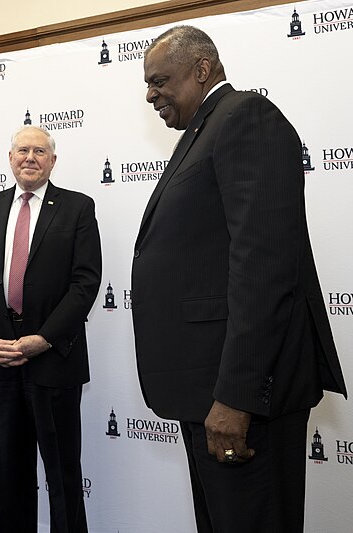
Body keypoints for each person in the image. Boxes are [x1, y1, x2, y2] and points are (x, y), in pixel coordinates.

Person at [132, 25, 347, 533]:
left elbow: (265, 269)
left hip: (241, 402)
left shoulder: (245, 118)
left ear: (202, 68)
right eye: (148, 84)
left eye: (160, 80)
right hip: (207, 397)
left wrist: (236, 397)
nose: (151, 94)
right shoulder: (204, 131)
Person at [0, 125, 101, 532]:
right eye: (22, 150)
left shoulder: (77, 208)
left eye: (40, 151)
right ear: (10, 158)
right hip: (0, 357)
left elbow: (85, 282)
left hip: (54, 356)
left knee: (61, 472)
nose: (30, 158)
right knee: (12, 470)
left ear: (52, 161)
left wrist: (45, 339)